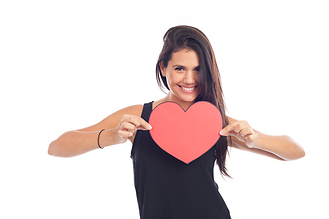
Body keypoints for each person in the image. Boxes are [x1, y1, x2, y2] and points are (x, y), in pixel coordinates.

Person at [48, 25, 305, 219]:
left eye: (198, 69)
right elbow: (57, 147)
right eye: (180, 68)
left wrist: (256, 139)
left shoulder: (213, 120)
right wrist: (111, 136)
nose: (190, 79)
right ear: (163, 68)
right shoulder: (139, 116)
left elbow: (295, 151)